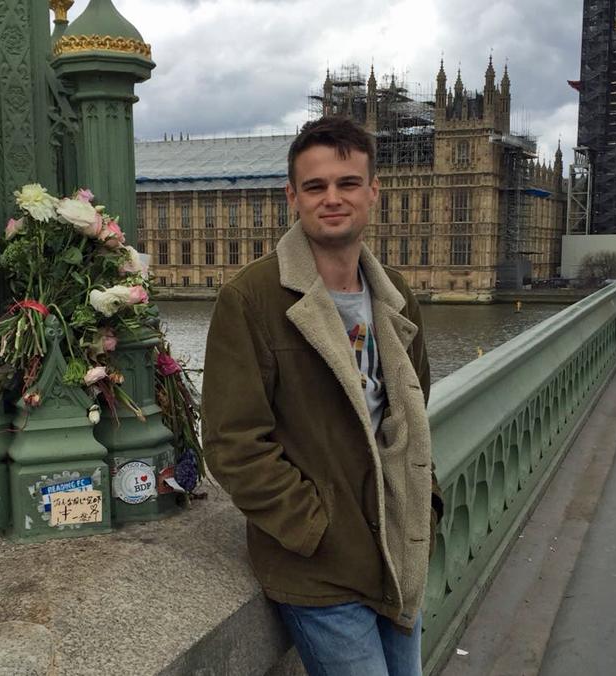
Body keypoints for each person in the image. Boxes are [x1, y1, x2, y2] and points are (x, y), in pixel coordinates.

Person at [202, 116, 443, 676]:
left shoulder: (397, 295)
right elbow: (231, 444)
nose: (332, 198)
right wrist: (316, 528)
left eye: (347, 183)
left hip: (398, 547)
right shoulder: (251, 299)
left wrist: (425, 502)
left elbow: (413, 410)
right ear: (293, 196)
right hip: (322, 569)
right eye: (315, 186)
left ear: (373, 192)